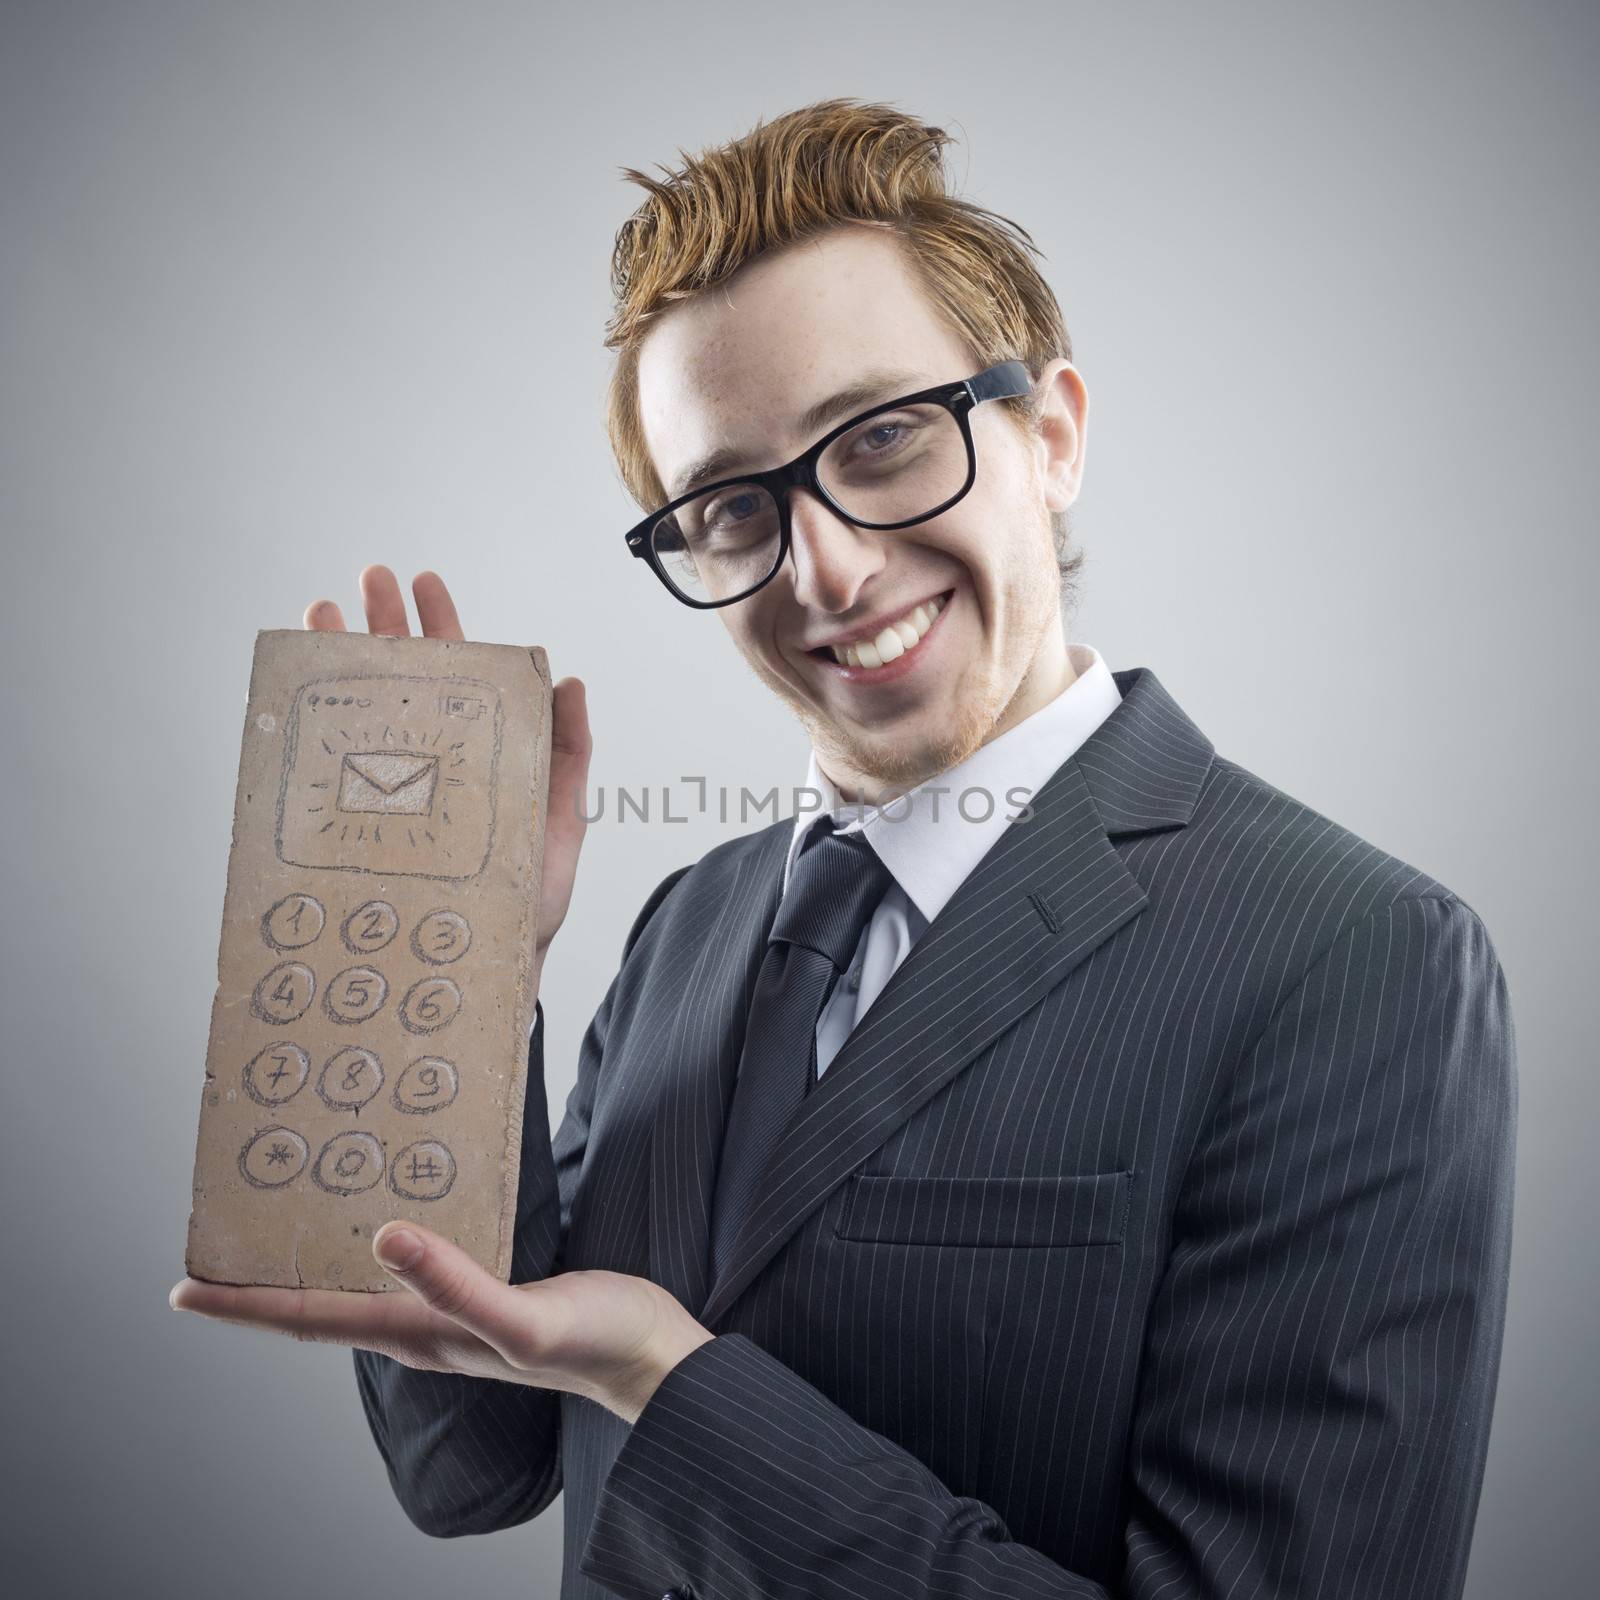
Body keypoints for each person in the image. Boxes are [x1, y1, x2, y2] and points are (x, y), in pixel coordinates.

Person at [170, 98, 1518, 1599]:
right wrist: (464, 989)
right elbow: (470, 1466)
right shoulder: (690, 919)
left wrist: (677, 1393)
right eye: (735, 505)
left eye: (881, 439)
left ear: (1052, 435)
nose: (828, 565)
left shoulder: (1354, 955)